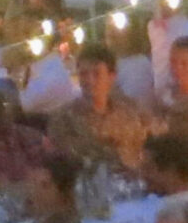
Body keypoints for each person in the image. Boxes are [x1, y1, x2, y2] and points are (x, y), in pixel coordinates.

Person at [51, 44, 151, 174]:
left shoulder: (131, 110)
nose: (89, 80)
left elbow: (149, 144)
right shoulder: (64, 120)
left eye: (96, 74)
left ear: (112, 76)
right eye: (83, 74)